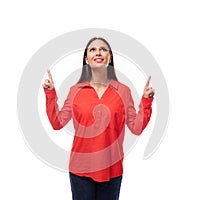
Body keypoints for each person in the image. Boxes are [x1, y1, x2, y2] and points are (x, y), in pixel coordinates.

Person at [42, 37, 155, 200]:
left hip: (112, 169)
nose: (98, 52)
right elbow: (57, 123)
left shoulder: (123, 91)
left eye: (103, 49)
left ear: (110, 57)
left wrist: (146, 101)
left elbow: (136, 127)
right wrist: (50, 94)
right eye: (92, 49)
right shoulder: (75, 91)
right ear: (86, 58)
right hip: (80, 169)